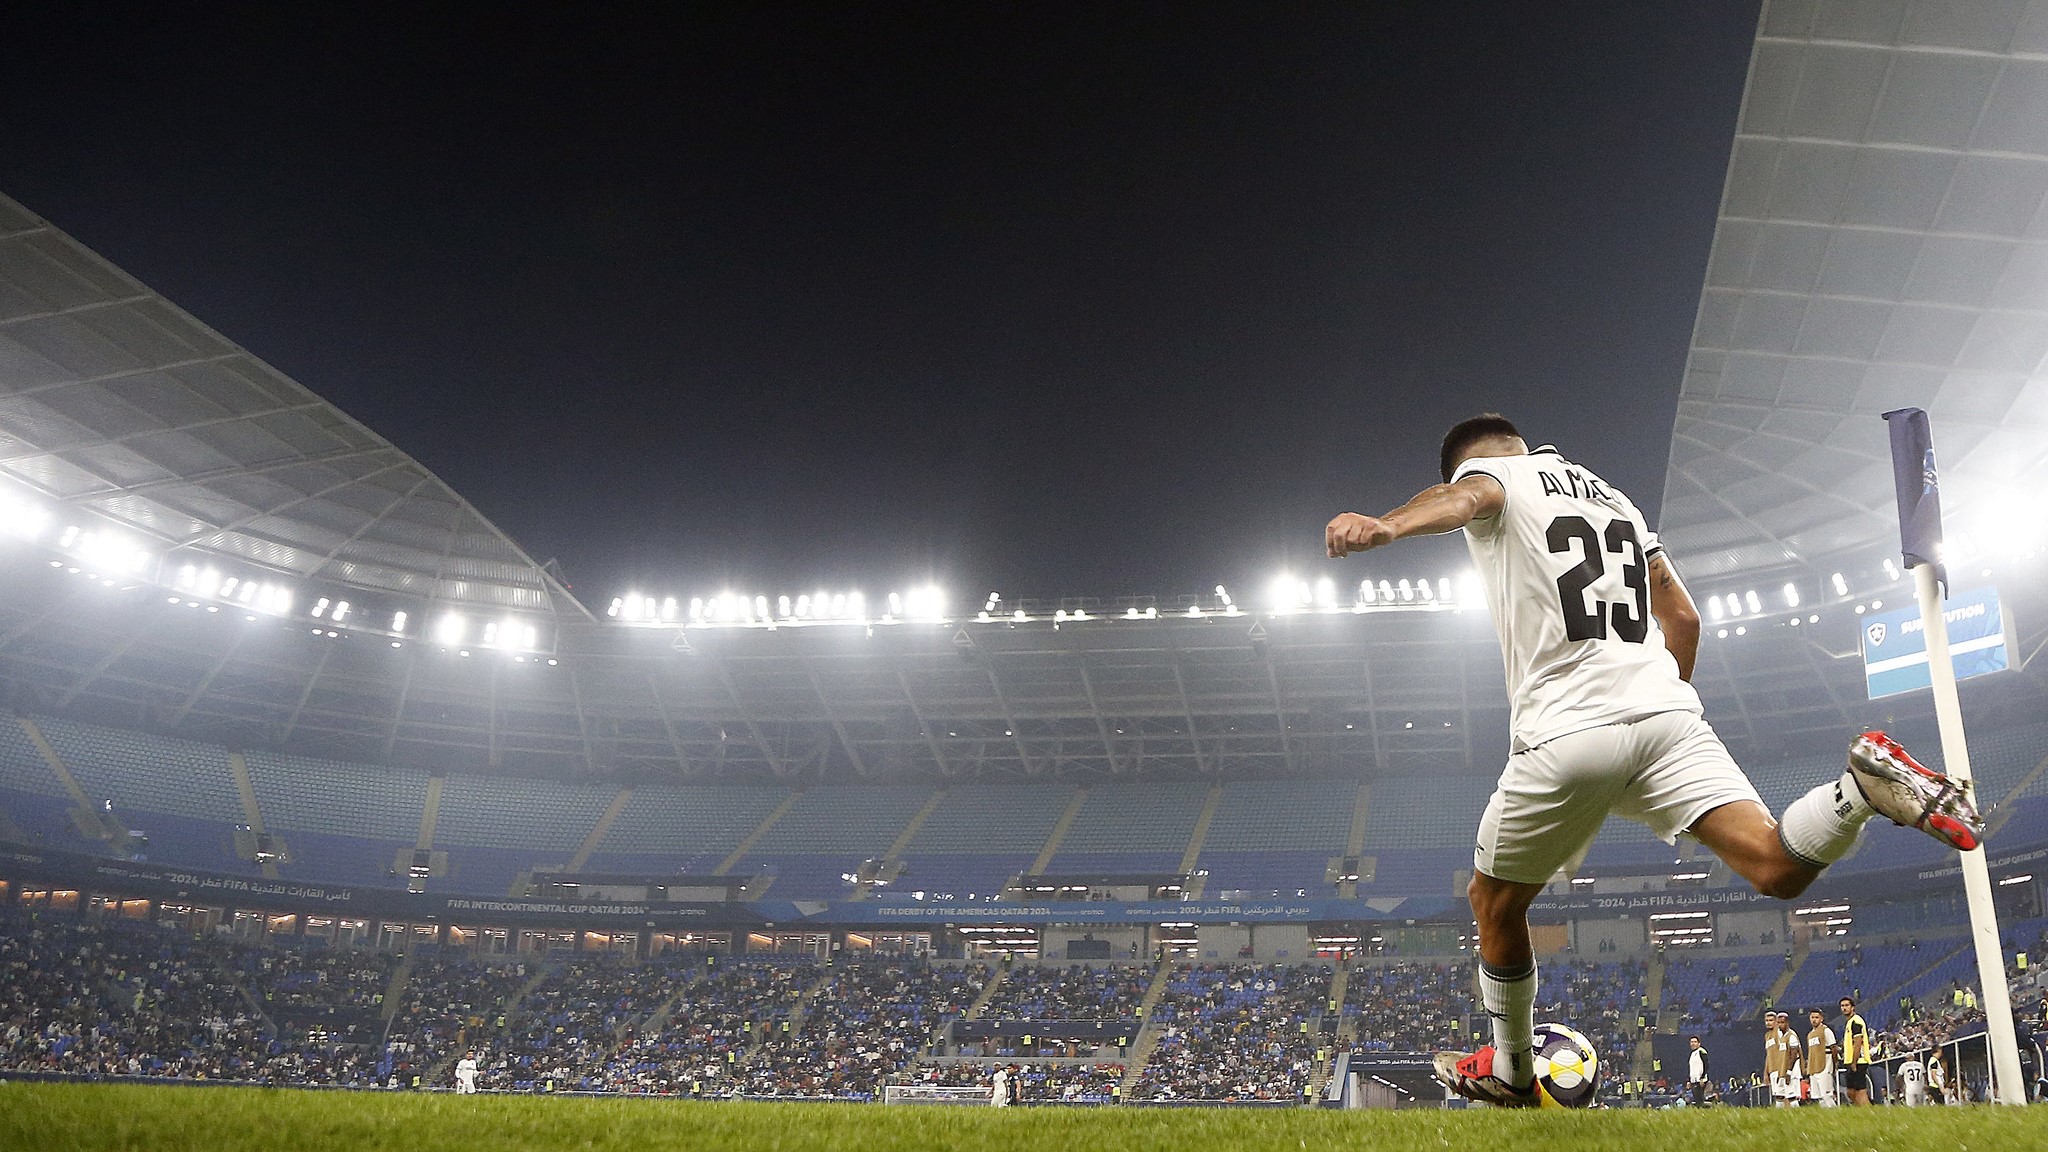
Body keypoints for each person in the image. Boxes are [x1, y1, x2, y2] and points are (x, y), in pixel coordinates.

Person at [1323, 415, 1984, 1107]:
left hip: (1567, 724)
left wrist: (1387, 525)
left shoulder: (1495, 478)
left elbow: (1462, 501)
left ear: (1469, 462)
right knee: (1775, 865)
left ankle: (1513, 1070)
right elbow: (1686, 621)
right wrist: (1652, 723)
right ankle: (1860, 791)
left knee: (1495, 902)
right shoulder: (1614, 498)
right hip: (1666, 712)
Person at [1839, 997, 1873, 1106]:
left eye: (1846, 1005)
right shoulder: (1850, 1022)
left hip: (1859, 1060)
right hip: (1850, 1060)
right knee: (1850, 1091)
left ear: (1852, 1007)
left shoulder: (1856, 1021)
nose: (1844, 1008)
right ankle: (1860, 1109)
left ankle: (1868, 1112)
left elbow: (1858, 1042)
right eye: (1842, 1006)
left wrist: (1854, 1062)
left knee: (1860, 1090)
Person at [1805, 1007, 1838, 1106]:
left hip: (1825, 1066)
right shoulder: (1810, 1034)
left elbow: (1834, 1048)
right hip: (1814, 1068)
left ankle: (1835, 1114)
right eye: (1812, 1017)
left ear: (1821, 1019)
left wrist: (1834, 1064)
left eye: (1816, 1017)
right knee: (1818, 1096)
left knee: (1826, 1094)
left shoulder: (1826, 1031)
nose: (1814, 1019)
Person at [1768, 1012, 1803, 1108]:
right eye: (1778, 1023)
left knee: (1791, 1096)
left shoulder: (1791, 1036)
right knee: (1779, 1095)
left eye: (1782, 1022)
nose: (1780, 1025)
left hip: (1791, 1071)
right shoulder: (1782, 1037)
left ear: (1787, 1023)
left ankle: (1799, 1115)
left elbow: (1794, 1055)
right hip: (1782, 1071)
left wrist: (1789, 1072)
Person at [1685, 1035, 1710, 1107]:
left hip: (1700, 1080)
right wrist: (1689, 1080)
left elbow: (1706, 1065)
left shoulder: (1701, 1051)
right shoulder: (1692, 1054)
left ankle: (1709, 1108)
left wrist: (1702, 1077)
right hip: (1693, 1080)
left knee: (1699, 1098)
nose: (1693, 1043)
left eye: (1695, 1042)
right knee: (1697, 1099)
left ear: (1699, 1043)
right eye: (1691, 1042)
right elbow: (1691, 1069)